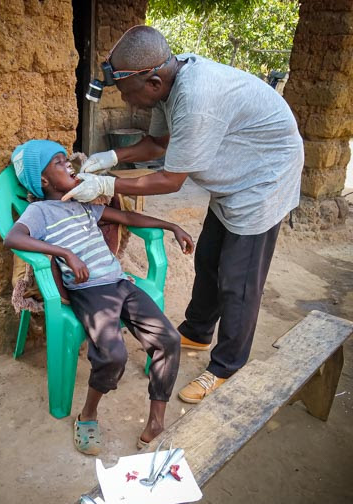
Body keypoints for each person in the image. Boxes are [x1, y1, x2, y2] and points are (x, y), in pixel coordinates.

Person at [64, 25, 304, 404]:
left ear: (154, 81)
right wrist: (111, 157)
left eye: (128, 94)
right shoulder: (168, 86)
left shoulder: (195, 99)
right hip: (236, 176)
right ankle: (198, 329)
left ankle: (226, 367)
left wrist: (106, 185)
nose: (128, 103)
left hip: (264, 179)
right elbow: (158, 144)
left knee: (239, 282)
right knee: (209, 257)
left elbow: (170, 180)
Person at [4, 139, 194, 455]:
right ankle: (88, 414)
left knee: (169, 340)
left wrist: (171, 225)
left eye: (67, 160)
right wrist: (64, 253)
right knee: (113, 355)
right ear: (43, 181)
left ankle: (156, 423)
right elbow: (14, 237)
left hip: (120, 283)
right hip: (89, 292)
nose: (69, 165)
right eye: (59, 162)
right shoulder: (40, 211)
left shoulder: (83, 204)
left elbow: (129, 220)